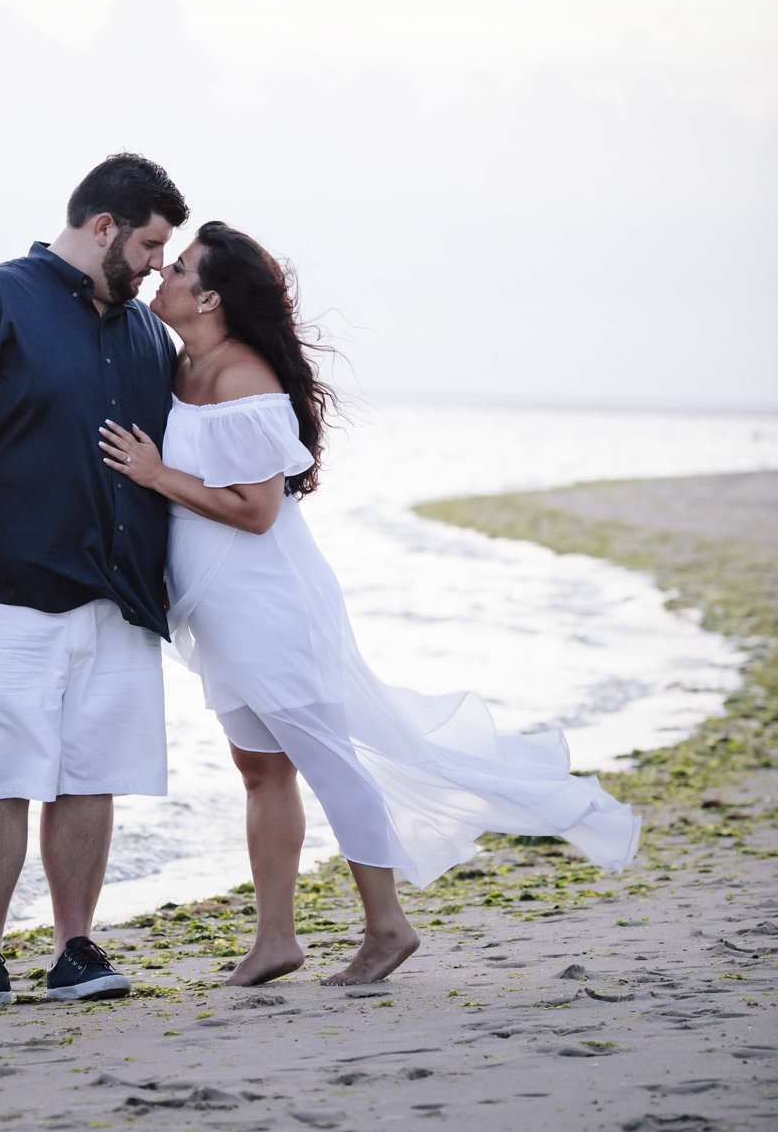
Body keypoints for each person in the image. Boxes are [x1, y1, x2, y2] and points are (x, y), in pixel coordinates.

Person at [100, 221, 640, 987]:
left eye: (179, 267)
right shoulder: (188, 365)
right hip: (218, 606)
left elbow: (256, 509)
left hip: (268, 602)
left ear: (210, 297)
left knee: (327, 760)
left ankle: (387, 926)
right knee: (260, 768)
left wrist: (156, 477)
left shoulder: (242, 379)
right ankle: (276, 941)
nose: (164, 275)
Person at [0, 152, 188, 1007]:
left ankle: (75, 949)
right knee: (0, 771)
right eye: (147, 244)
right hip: (3, 585)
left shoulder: (144, 332)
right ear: (102, 227)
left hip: (118, 596)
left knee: (89, 773)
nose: (155, 266)